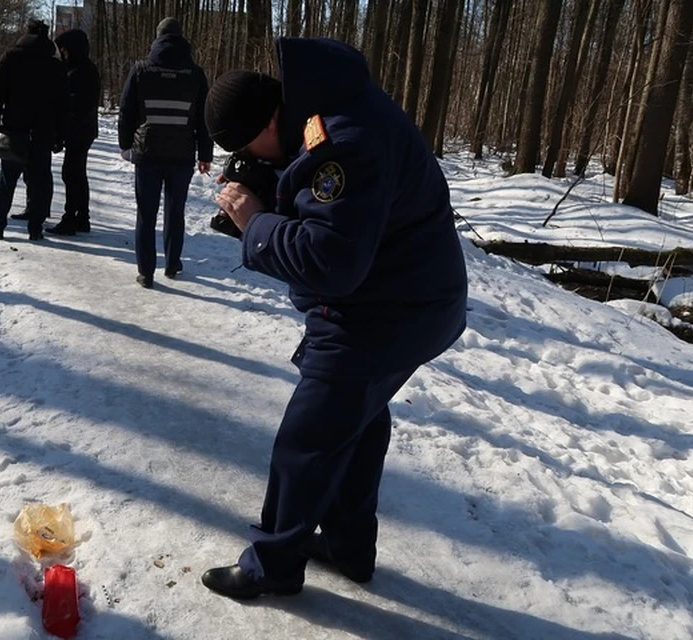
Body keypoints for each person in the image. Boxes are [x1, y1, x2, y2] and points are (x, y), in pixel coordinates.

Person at [199, 37, 469, 600]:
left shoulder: (343, 143)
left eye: (255, 148)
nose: (259, 160)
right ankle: (348, 546)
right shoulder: (327, 116)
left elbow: (331, 260)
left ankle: (271, 564)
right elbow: (332, 211)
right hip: (401, 300)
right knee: (357, 422)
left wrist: (255, 224)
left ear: (272, 118)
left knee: (308, 437)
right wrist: (272, 196)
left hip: (387, 312)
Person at [118, 17, 212, 288]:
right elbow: (203, 119)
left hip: (147, 152)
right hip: (182, 154)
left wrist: (126, 145)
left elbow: (126, 112)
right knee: (175, 211)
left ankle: (146, 272)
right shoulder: (195, 74)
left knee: (146, 214)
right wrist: (205, 153)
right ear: (181, 38)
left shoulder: (141, 70)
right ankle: (172, 264)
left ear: (157, 38)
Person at [0, 19, 67, 242]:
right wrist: (60, 136)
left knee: (7, 181)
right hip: (43, 132)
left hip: (14, 130)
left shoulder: (10, 58)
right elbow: (63, 105)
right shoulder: (55, 66)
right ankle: (35, 229)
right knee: (40, 181)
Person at [46, 28, 100, 236]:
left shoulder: (81, 71)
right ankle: (82, 218)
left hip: (79, 130)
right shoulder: (80, 68)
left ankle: (70, 219)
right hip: (81, 130)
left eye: (64, 50)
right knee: (78, 174)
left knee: (71, 174)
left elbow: (78, 103)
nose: (62, 54)